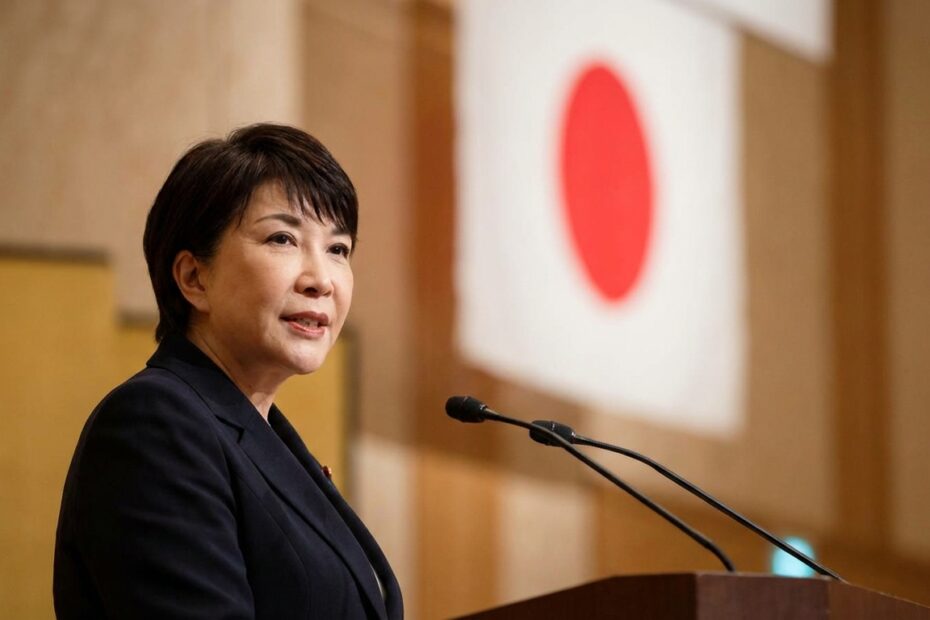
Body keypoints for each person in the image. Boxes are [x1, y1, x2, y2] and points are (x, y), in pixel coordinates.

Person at [53, 123, 403, 619]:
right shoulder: (156, 425)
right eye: (283, 238)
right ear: (195, 278)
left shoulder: (264, 439)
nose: (321, 280)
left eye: (338, 249)